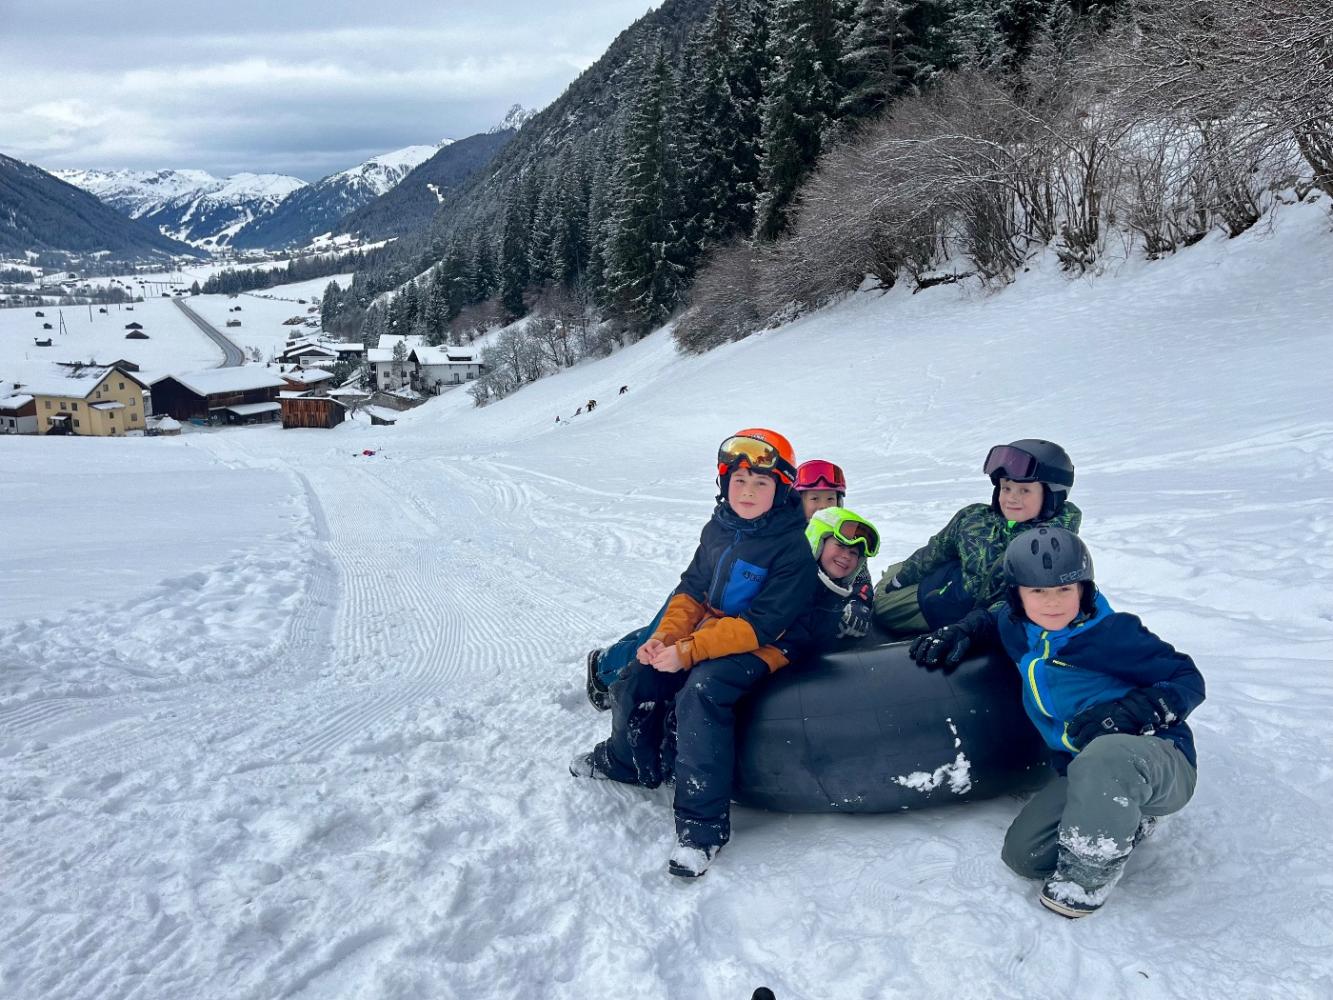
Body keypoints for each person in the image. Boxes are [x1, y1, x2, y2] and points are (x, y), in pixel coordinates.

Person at [909, 527, 1205, 918]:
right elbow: (993, 617)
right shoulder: (1018, 627)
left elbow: (1188, 679)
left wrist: (1131, 712)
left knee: (1105, 756)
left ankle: (1088, 876)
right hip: (1087, 771)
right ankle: (1129, 820)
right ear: (1017, 595)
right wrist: (964, 629)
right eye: (1037, 591)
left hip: (1159, 761)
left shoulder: (1111, 635)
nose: (1052, 603)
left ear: (1084, 589)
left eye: (1065, 589)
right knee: (1026, 855)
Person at [570, 428, 818, 878]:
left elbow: (762, 625)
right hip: (720, 629)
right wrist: (665, 639)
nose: (747, 492)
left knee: (702, 692)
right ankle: (625, 761)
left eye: (761, 483)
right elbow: (691, 590)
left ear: (781, 489)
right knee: (641, 673)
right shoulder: (720, 528)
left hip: (769, 642)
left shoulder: (790, 547)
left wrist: (690, 652)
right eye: (739, 481)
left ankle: (702, 830)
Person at [583, 457, 872, 710]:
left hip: (749, 612)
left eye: (830, 500)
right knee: (658, 638)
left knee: (689, 640)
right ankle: (604, 669)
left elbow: (858, 577)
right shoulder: (779, 527)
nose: (821, 507)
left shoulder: (838, 538)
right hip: (708, 591)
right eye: (814, 499)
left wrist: (859, 602)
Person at [873, 439, 1082, 637]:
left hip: (953, 612)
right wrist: (901, 579)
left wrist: (972, 628)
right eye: (1006, 488)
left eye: (1024, 490)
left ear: (1051, 496)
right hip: (940, 588)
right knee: (882, 597)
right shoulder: (975, 518)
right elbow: (936, 550)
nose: (1011, 498)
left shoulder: (1053, 547)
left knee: (884, 608)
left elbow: (1027, 604)